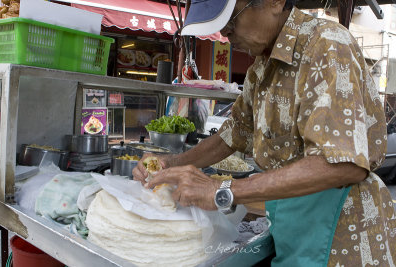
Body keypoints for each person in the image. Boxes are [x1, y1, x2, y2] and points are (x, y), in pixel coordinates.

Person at [133, 0, 396, 265]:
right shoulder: (260, 70)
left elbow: (342, 163)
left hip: (342, 234)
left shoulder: (326, 44)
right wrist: (170, 163)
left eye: (231, 20)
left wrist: (222, 189)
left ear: (274, 2)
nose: (225, 33)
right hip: (292, 227)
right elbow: (234, 134)